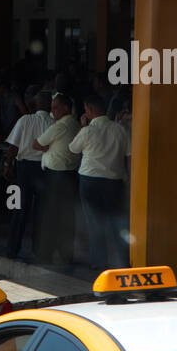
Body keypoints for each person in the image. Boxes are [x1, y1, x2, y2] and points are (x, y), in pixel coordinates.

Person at [69, 94, 130, 269]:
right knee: (116, 222)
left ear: (88, 111)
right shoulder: (120, 130)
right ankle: (121, 262)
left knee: (94, 222)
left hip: (90, 181)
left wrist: (82, 126)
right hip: (114, 181)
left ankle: (99, 263)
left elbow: (73, 148)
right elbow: (129, 156)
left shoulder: (88, 131)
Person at [3, 90, 52, 260]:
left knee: (18, 209)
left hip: (23, 170)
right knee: (40, 211)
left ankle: (12, 249)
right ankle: (38, 250)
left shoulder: (25, 120)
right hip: (43, 169)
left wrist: (7, 165)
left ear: (36, 104)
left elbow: (13, 147)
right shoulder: (53, 123)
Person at [33, 92, 80, 265]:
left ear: (65, 108)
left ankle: (46, 254)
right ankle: (66, 255)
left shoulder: (61, 125)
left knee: (51, 216)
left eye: (55, 107)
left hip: (56, 176)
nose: (52, 111)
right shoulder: (74, 124)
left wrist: (47, 146)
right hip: (69, 175)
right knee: (67, 216)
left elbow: (37, 143)